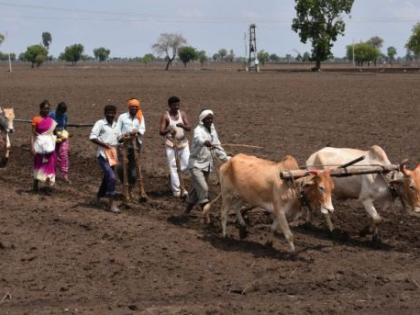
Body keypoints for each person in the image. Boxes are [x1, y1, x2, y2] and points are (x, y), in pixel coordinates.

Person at [185, 109, 230, 213]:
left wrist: (227, 159)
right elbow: (198, 139)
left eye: (211, 118)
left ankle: (186, 212)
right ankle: (207, 217)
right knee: (204, 189)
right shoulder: (198, 130)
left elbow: (217, 147)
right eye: (208, 119)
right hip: (196, 165)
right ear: (202, 120)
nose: (210, 120)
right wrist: (204, 142)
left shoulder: (213, 131)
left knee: (195, 191)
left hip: (207, 165)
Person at [90, 104, 121, 213]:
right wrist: (104, 145)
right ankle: (111, 205)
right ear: (105, 113)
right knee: (112, 177)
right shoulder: (100, 123)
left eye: (113, 113)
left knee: (107, 178)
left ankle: (98, 197)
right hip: (103, 155)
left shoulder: (117, 125)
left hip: (112, 155)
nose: (111, 115)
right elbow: (92, 137)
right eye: (109, 112)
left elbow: (118, 139)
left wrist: (125, 138)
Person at [159, 96, 191, 198]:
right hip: (171, 144)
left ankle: (175, 176)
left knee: (187, 164)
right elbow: (161, 132)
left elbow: (189, 127)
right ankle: (177, 191)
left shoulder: (182, 114)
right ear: (170, 105)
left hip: (183, 143)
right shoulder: (166, 116)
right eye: (174, 105)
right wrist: (169, 129)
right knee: (173, 167)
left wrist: (183, 126)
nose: (176, 107)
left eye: (178, 105)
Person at [116, 98, 146, 200]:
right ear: (129, 107)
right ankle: (124, 185)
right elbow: (117, 130)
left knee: (133, 171)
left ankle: (130, 190)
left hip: (135, 146)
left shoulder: (140, 117)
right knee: (121, 168)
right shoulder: (122, 117)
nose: (134, 109)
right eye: (132, 107)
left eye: (136, 107)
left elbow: (142, 129)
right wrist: (123, 135)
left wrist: (136, 132)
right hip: (123, 146)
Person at [31, 100, 57, 192]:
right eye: (45, 108)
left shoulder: (52, 121)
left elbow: (54, 134)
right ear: (41, 108)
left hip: (49, 147)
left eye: (48, 109)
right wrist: (32, 147)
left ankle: (48, 187)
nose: (47, 110)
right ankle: (35, 185)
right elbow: (33, 134)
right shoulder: (36, 119)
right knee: (38, 165)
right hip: (39, 146)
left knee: (50, 166)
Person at [49, 102, 70, 183]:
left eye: (63, 111)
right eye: (60, 111)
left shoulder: (65, 116)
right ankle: (52, 174)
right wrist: (54, 134)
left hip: (62, 137)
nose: (61, 113)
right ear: (57, 109)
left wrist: (66, 136)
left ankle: (65, 174)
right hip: (53, 137)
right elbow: (48, 126)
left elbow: (65, 127)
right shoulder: (52, 115)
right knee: (53, 156)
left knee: (64, 155)